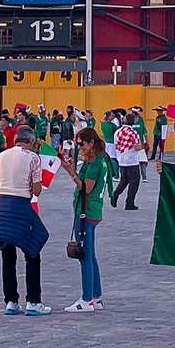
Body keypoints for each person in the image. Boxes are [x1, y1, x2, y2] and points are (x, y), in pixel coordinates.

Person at [0, 133, 49, 316]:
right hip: (20, 205)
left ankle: (11, 301)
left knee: (7, 256)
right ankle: (34, 301)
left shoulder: (1, 156)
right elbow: (36, 189)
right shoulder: (32, 157)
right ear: (30, 142)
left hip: (1, 206)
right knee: (32, 252)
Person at [65, 127, 110, 313]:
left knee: (84, 256)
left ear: (92, 143)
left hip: (86, 211)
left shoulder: (94, 164)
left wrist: (71, 173)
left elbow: (86, 188)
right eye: (78, 144)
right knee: (91, 256)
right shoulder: (100, 160)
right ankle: (96, 296)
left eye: (82, 144)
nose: (80, 147)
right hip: (93, 210)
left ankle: (86, 299)